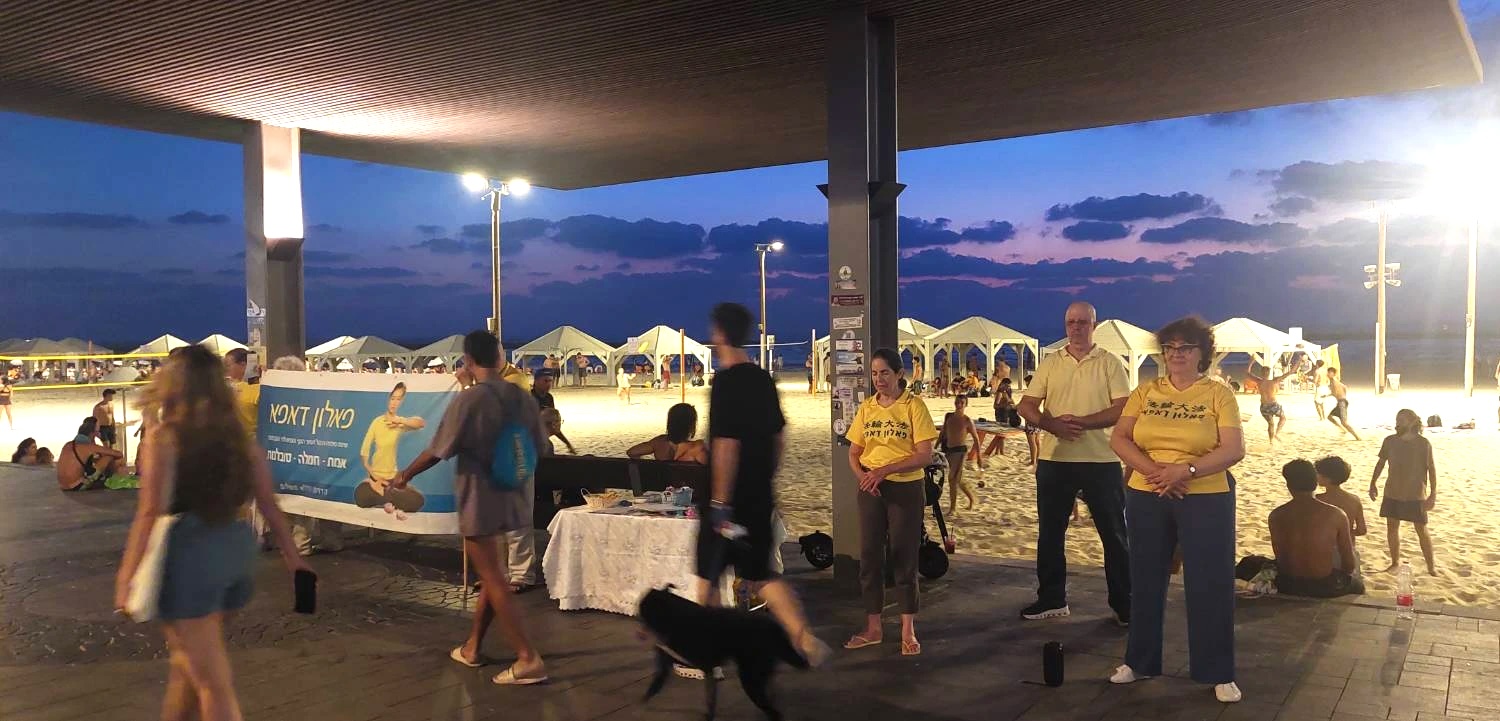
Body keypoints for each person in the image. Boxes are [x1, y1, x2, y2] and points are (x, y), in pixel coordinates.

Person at [113, 345, 311, 721]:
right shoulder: (240, 441)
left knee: (212, 682)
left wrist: (126, 577)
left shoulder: (165, 438)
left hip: (189, 553)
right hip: (235, 549)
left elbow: (149, 510)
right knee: (187, 665)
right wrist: (294, 559)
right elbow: (268, 504)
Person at [392, 330, 547, 684]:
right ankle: (473, 647)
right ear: (500, 358)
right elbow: (540, 445)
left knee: (492, 576)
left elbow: (438, 449)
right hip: (514, 495)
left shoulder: (470, 399)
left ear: (468, 360)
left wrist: (405, 475)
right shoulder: (521, 397)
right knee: (494, 575)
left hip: (480, 497)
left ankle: (528, 658)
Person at [1109, 315, 1245, 703]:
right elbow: (1120, 438)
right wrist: (1155, 471)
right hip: (1147, 491)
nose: (1177, 354)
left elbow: (1233, 449)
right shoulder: (1146, 391)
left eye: (1185, 347)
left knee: (1210, 582)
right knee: (1145, 579)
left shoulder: (1218, 394)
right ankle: (1139, 661)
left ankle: (1218, 672)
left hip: (1205, 494)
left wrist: (1185, 470)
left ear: (1202, 353)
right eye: (1170, 347)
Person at [696, 303, 829, 667]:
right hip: (758, 497)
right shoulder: (763, 380)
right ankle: (803, 637)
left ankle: (709, 652)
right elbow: (779, 437)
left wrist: (720, 503)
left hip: (729, 503)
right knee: (761, 575)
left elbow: (726, 445)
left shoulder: (725, 383)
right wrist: (765, 477)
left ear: (719, 334)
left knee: (707, 576)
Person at [1016, 302, 1132, 624]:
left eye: (1082, 322)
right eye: (1071, 322)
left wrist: (1082, 423)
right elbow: (1026, 405)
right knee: (1050, 533)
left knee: (1114, 534)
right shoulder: (1051, 362)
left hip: (1101, 459)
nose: (1076, 327)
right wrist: (1051, 425)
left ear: (1094, 325)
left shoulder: (1109, 363)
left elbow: (1122, 407)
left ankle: (1124, 603)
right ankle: (1052, 598)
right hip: (1056, 459)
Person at [843, 347, 937, 657]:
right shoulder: (868, 407)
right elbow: (854, 452)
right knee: (870, 556)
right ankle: (873, 627)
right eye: (874, 373)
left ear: (899, 374)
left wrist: (884, 471)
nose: (879, 379)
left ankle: (908, 630)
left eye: (885, 372)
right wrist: (864, 477)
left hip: (905, 488)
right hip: (872, 489)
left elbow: (924, 455)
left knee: (904, 557)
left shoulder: (913, 406)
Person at [1268, 459, 1363, 597]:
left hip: (1287, 584)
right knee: (1358, 586)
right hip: (1323, 586)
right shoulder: (1336, 514)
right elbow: (1348, 565)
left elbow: (1280, 556)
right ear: (1314, 483)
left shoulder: (1276, 515)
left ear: (1289, 485)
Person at [1370, 409, 1437, 575]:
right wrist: (1373, 483)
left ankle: (1431, 567)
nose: (1398, 423)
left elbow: (1431, 468)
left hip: (1415, 494)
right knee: (1392, 527)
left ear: (1412, 422)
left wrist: (1433, 494)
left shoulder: (1423, 444)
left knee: (1421, 529)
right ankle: (1395, 562)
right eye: (1397, 420)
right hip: (1392, 492)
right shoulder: (1390, 441)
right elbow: (1380, 463)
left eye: (1401, 420)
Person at [354, 383, 428, 514]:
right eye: (393, 398)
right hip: (375, 479)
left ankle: (385, 498)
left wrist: (400, 421)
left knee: (419, 500)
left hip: (392, 480)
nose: (394, 403)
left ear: (401, 402)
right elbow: (364, 452)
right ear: (388, 399)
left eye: (398, 399)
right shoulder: (377, 422)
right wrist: (374, 480)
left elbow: (421, 423)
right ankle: (388, 499)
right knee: (359, 494)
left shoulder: (399, 423)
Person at [940, 395, 984, 514]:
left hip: (960, 451)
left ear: (965, 405)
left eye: (962, 403)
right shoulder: (949, 416)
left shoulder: (967, 420)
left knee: (952, 479)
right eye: (957, 402)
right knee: (958, 479)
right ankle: (972, 499)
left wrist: (979, 457)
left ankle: (953, 508)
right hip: (949, 451)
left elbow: (976, 439)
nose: (959, 404)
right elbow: (943, 433)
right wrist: (935, 448)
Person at [1314, 456, 1366, 553]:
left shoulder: (1319, 500)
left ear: (1327, 478)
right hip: (1348, 549)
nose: (1316, 476)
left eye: (1318, 473)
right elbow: (1362, 530)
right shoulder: (1355, 500)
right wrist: (1346, 533)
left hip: (1325, 550)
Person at [627, 402, 708, 463]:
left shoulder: (659, 442)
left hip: (663, 481)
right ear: (691, 425)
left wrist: (645, 466)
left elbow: (632, 452)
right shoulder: (698, 447)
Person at [1247, 362, 1306, 444]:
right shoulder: (1275, 381)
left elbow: (1247, 373)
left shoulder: (1259, 381)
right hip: (1273, 405)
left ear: (1261, 373)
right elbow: (1291, 372)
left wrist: (1251, 362)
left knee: (1271, 424)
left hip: (1264, 406)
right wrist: (1298, 362)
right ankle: (1276, 434)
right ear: (1269, 373)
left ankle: (1271, 441)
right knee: (1283, 418)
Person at [59, 417, 124, 491]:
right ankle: (111, 479)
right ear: (93, 433)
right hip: (78, 485)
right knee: (109, 457)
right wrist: (100, 438)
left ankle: (105, 478)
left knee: (98, 459)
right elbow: (119, 454)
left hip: (63, 485)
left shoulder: (68, 444)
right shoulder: (89, 447)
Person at [530, 369, 575, 454]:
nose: (549, 384)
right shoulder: (528, 398)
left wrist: (567, 443)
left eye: (551, 381)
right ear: (536, 381)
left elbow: (552, 424)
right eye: (546, 381)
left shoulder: (549, 398)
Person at [1325, 368, 1360, 440]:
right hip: (1341, 402)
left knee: (1344, 423)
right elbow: (1344, 387)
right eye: (1328, 372)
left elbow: (1336, 392)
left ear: (1333, 374)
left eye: (1330, 373)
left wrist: (1340, 396)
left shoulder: (1334, 382)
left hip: (1342, 403)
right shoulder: (1333, 382)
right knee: (1329, 417)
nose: (1328, 374)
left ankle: (1357, 437)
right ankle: (1342, 429)